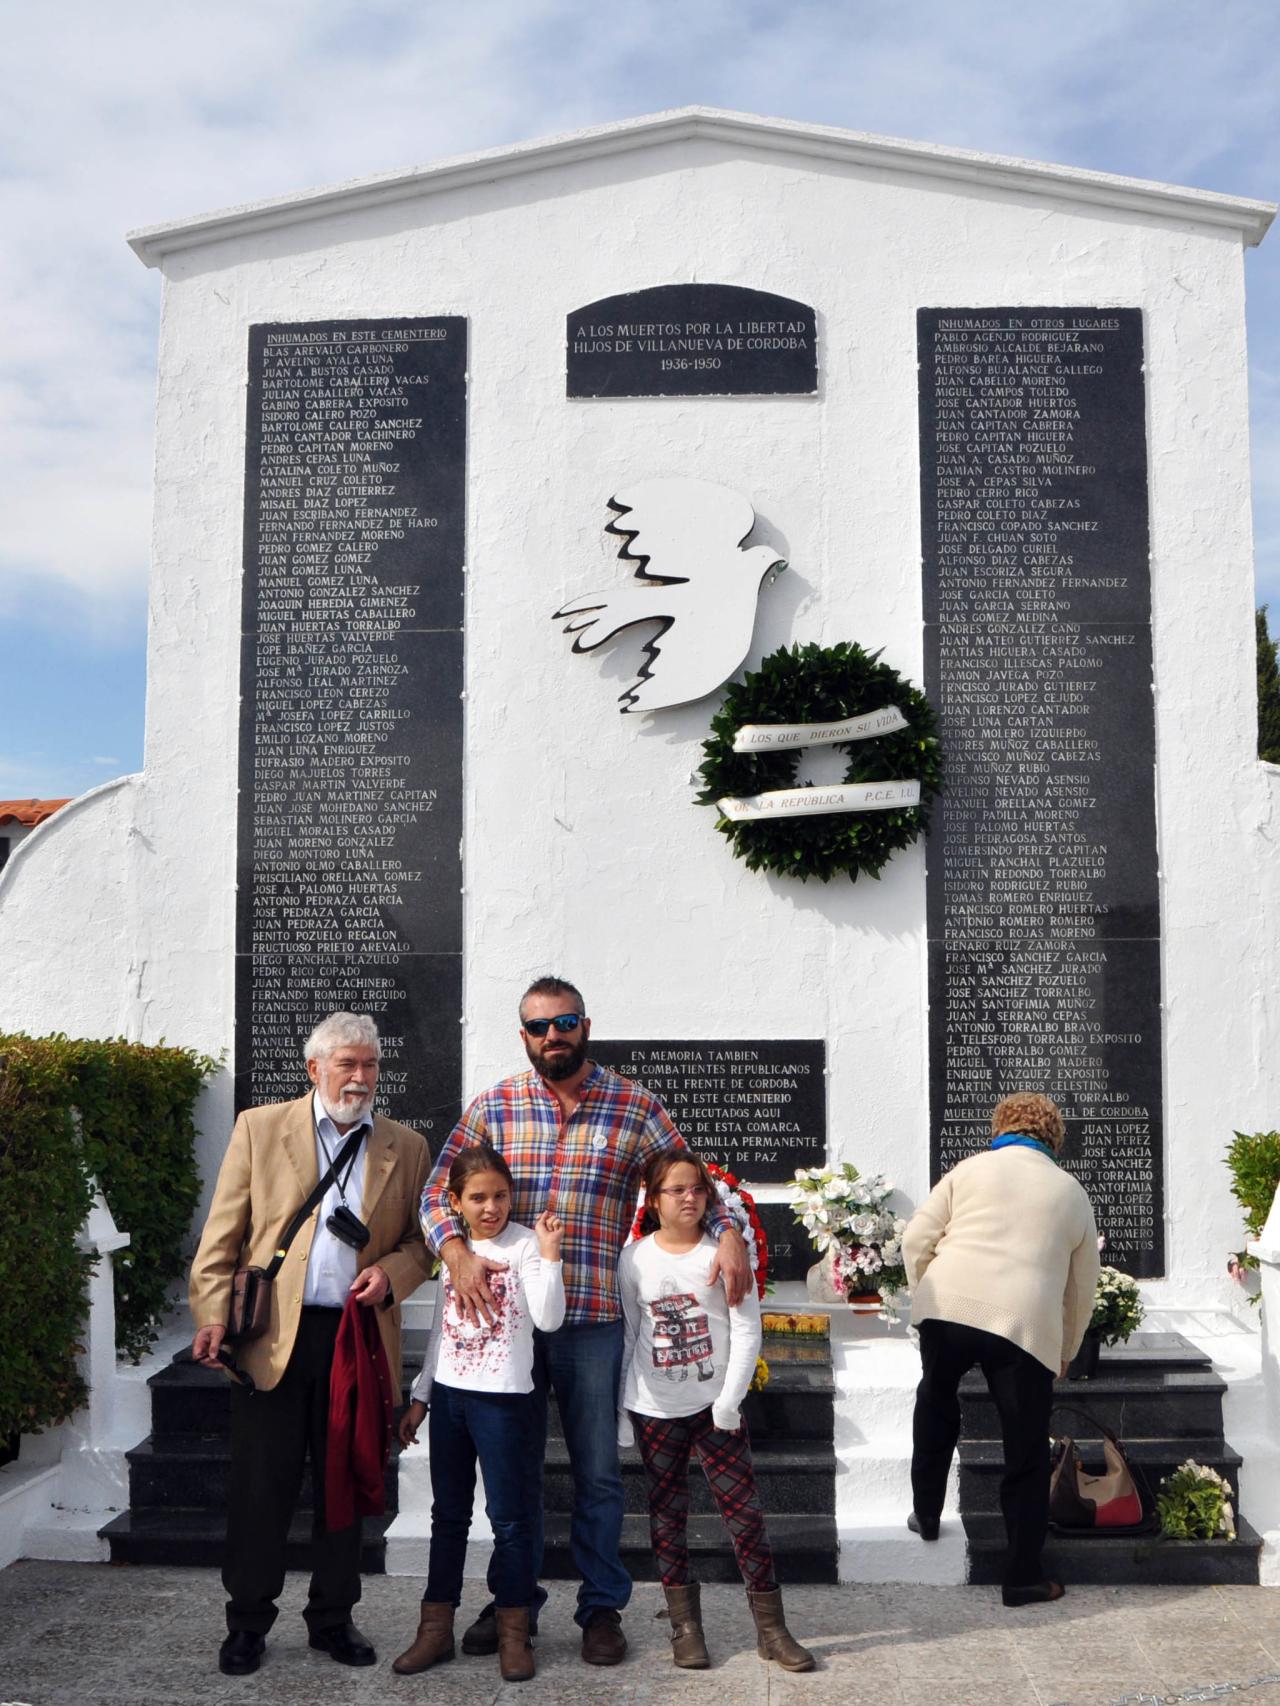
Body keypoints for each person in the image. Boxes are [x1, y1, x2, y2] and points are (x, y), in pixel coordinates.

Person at [419, 974, 752, 1666]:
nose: (553, 1036)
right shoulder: (496, 1105)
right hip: (507, 1325)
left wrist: (728, 1233)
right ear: (524, 1037)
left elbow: (688, 1181)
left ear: (585, 1026)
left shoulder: (633, 1105)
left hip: (594, 1323)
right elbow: (436, 1193)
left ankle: (602, 1609)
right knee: (516, 1476)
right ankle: (517, 1604)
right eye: (539, 1027)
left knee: (598, 1473)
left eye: (564, 1022)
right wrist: (452, 1250)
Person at [189, 1012, 432, 1676]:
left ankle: (333, 1618)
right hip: (272, 1338)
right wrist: (211, 1313)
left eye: (370, 1065)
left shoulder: (405, 1147)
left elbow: (423, 1243)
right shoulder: (261, 1130)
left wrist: (394, 1273)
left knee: (343, 1484)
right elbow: (223, 1236)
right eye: (347, 1064)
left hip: (357, 1339)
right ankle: (246, 1622)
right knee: (261, 1487)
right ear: (314, 1069)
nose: (360, 1077)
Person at [617, 1150, 815, 1672]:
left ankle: (771, 1629)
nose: (688, 1198)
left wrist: (730, 1400)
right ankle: (685, 1626)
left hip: (714, 1409)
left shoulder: (725, 1254)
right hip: (655, 1406)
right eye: (675, 1190)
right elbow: (633, 1334)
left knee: (744, 1515)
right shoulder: (634, 1259)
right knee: (667, 1514)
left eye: (696, 1189)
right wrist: (622, 1407)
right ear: (653, 1201)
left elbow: (748, 1329)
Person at [903, 1090, 1100, 1606]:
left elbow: (914, 1240)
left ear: (1000, 1128)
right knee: (1026, 1451)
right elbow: (1082, 1287)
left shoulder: (967, 1170)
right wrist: (1067, 1347)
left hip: (949, 1305)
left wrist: (925, 1294)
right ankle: (1022, 1577)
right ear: (1054, 1136)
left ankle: (926, 1514)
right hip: (1023, 1323)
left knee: (936, 1402)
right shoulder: (1071, 1191)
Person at [393, 1145, 565, 1683]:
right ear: (457, 1202)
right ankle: (435, 1629)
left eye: (500, 1195)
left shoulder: (524, 1247)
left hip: (505, 1401)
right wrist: (421, 1395)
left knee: (511, 1520)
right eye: (478, 1197)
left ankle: (515, 1633)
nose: (491, 1207)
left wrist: (551, 1253)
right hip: (450, 1399)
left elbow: (549, 1320)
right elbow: (444, 1329)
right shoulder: (454, 1252)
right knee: (448, 1517)